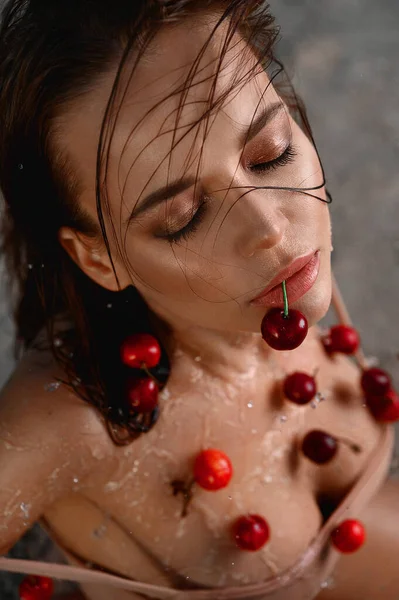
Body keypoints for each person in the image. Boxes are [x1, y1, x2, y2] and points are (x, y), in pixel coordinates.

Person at [0, 1, 398, 599]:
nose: (269, 227)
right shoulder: (74, 421)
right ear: (98, 259)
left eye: (271, 152)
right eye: (183, 219)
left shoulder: (288, 273)